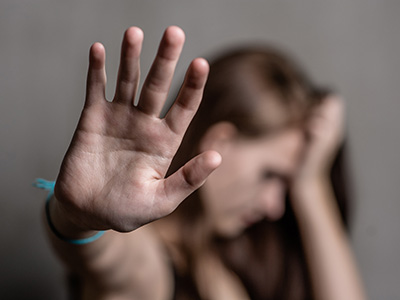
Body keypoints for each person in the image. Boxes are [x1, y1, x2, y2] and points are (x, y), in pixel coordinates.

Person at [37, 26, 366, 299]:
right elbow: (117, 262)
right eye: (270, 175)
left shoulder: (234, 259)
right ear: (219, 143)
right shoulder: (153, 263)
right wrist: (76, 218)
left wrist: (311, 184)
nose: (275, 206)